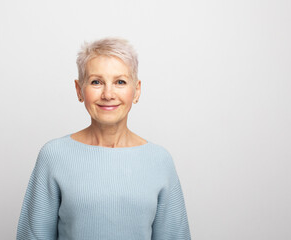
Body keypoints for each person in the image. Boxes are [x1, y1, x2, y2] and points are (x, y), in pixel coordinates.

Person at [16, 37, 191, 240]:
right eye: (96, 82)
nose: (108, 94)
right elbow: (33, 236)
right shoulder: (54, 156)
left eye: (120, 82)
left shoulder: (160, 160)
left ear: (137, 90)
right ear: (79, 90)